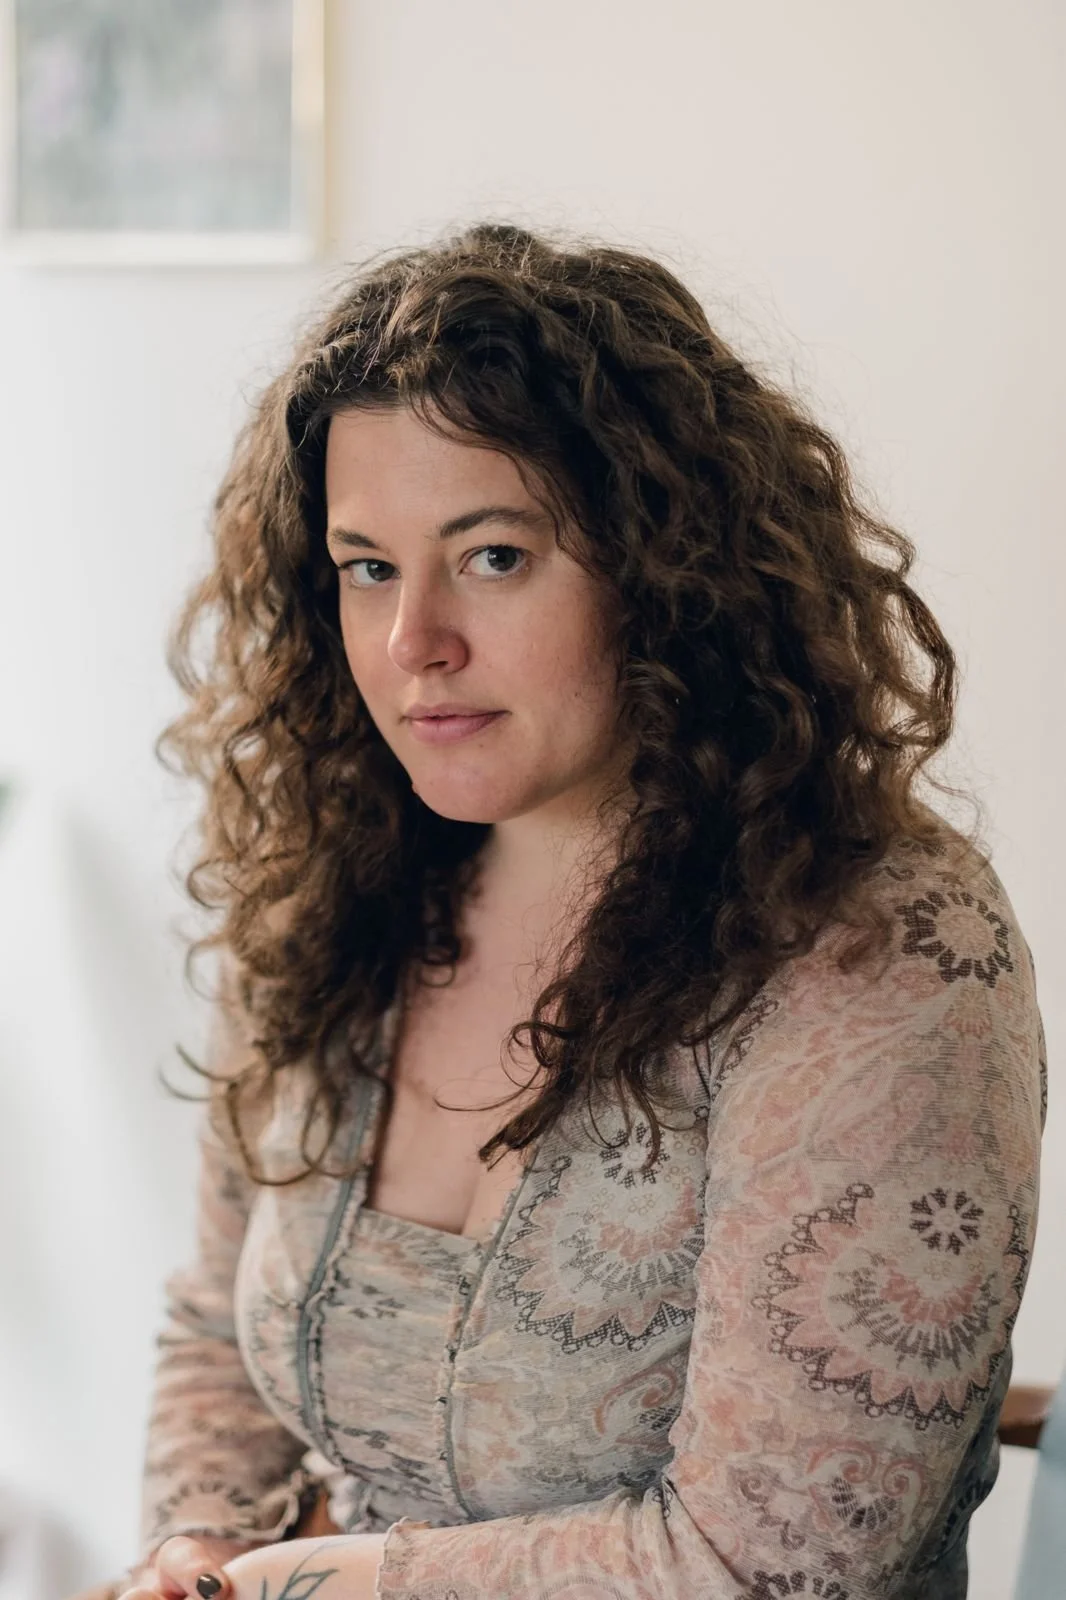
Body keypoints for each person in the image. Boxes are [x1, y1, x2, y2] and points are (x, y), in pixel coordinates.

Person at [83, 221, 1045, 1600]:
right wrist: (196, 1544)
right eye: (366, 567)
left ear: (667, 567)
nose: (414, 642)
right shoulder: (335, 888)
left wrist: (288, 1589)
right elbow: (213, 1316)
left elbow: (775, 1566)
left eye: (490, 557)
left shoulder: (875, 951)